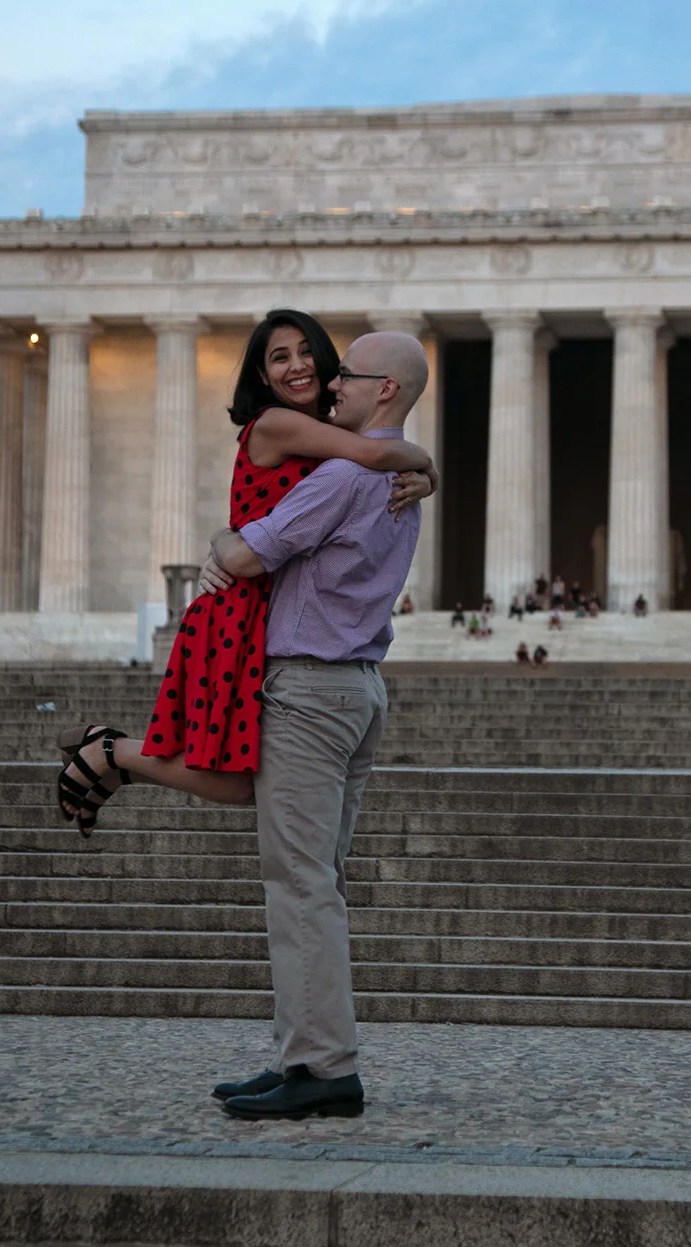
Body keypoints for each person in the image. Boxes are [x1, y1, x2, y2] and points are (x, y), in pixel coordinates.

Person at [56, 316, 435, 1122]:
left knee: (299, 888)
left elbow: (245, 556)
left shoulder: (340, 475)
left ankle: (323, 1068)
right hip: (360, 688)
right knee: (315, 881)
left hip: (309, 688)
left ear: (386, 391)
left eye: (348, 376)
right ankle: (305, 1058)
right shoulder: (402, 486)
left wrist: (226, 544)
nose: (333, 383)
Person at [52, 309, 432, 835]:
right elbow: (378, 451)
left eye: (308, 354)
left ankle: (113, 757)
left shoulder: (326, 432)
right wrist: (428, 470)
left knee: (244, 781)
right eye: (279, 358)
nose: (297, 367)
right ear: (261, 375)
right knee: (241, 776)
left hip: (265, 607)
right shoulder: (281, 425)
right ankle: (111, 754)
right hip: (238, 610)